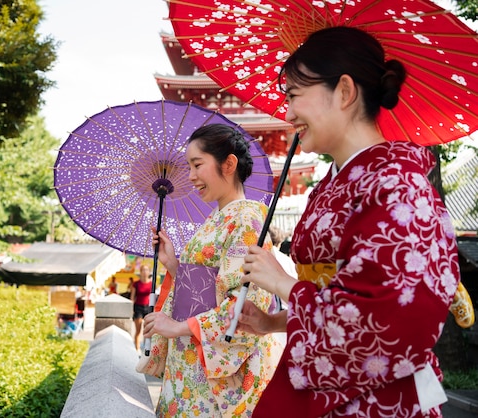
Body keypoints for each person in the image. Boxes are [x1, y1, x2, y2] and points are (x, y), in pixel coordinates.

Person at [235, 26, 461, 417]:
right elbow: (339, 293)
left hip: (376, 398)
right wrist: (274, 322)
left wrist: (283, 284)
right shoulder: (338, 182)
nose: (287, 114)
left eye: (293, 96)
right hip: (330, 384)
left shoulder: (399, 185)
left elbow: (389, 318)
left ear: (343, 91)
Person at [141, 124, 284, 417]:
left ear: (228, 164)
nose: (191, 176)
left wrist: (178, 327)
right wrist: (173, 264)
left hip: (218, 371)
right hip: (195, 356)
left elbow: (245, 303)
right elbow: (207, 289)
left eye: (197, 165)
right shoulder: (217, 218)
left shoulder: (247, 219)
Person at [130, 264, 152, 352]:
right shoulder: (136, 284)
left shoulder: (151, 283)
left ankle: (146, 348)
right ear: (140, 272)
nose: (145, 272)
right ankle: (137, 348)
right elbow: (132, 297)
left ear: (149, 272)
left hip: (148, 307)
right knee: (138, 330)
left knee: (147, 330)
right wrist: (131, 310)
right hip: (138, 307)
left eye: (147, 270)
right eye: (143, 270)